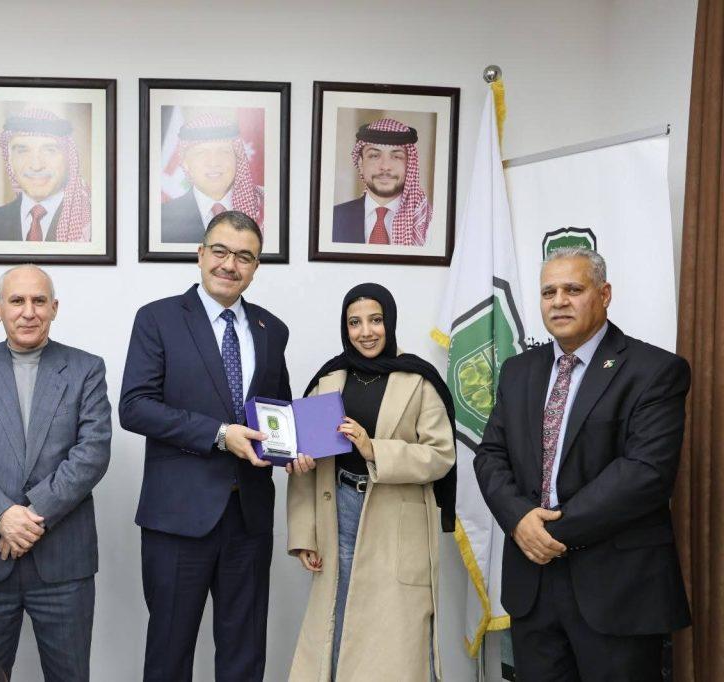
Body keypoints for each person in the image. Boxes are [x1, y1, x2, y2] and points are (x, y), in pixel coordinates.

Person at [474, 247, 691, 681]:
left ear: (604, 294)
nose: (559, 302)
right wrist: (519, 520)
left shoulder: (654, 370)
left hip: (617, 589)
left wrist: (547, 531)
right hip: (534, 585)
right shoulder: (518, 371)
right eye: (548, 292)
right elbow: (491, 455)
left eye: (573, 290)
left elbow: (645, 472)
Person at [120, 210, 291, 681]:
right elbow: (135, 407)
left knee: (244, 656)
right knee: (169, 655)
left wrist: (296, 448)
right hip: (178, 519)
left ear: (255, 267)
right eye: (220, 251)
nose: (229, 265)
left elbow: (276, 409)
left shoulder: (272, 329)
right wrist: (219, 434)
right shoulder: (157, 319)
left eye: (244, 256)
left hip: (249, 519)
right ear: (200, 254)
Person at [0, 265, 111, 681]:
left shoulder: (86, 369)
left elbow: (92, 452)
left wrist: (29, 516)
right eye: (17, 301)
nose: (28, 311)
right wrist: (1, 515)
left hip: (63, 565)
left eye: (39, 301)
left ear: (54, 308)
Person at [286, 283, 455, 681]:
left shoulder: (419, 379)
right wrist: (304, 534)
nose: (366, 332)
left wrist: (373, 448)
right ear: (345, 328)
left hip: (397, 520)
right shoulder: (328, 379)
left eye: (375, 320)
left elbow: (440, 455)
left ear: (389, 322)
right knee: (338, 615)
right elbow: (306, 463)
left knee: (397, 633)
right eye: (355, 323)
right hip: (338, 511)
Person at [0, 108, 91, 242]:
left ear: (68, 158)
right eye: (22, 151)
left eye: (50, 150)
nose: (36, 166)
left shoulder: (92, 225)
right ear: (10, 160)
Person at [161, 114, 264, 244]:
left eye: (224, 151)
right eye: (201, 153)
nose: (214, 162)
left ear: (237, 158)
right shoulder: (162, 218)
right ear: (186, 163)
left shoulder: (264, 210)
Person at [332, 117, 431, 246]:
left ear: (409, 165)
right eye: (374, 156)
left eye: (396, 156)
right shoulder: (333, 218)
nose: (385, 166)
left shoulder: (429, 224)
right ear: (361, 164)